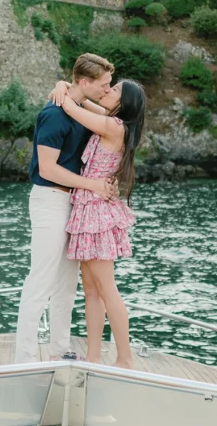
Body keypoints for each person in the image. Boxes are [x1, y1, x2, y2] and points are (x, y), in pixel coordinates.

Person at [14, 54, 119, 364]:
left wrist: (62, 84)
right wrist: (94, 186)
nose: (107, 89)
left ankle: (59, 348)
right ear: (85, 83)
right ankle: (26, 356)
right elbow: (47, 168)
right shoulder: (53, 115)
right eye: (104, 85)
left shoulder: (82, 107)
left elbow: (114, 112)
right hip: (49, 199)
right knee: (41, 279)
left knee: (66, 282)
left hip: (73, 203)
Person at [49, 78, 146, 369]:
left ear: (123, 102)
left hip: (96, 213)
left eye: (114, 90)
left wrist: (61, 91)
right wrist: (63, 83)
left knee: (106, 288)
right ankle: (93, 356)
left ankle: (125, 359)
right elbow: (82, 100)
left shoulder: (113, 126)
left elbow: (72, 107)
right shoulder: (109, 120)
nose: (108, 90)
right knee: (91, 289)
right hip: (90, 208)